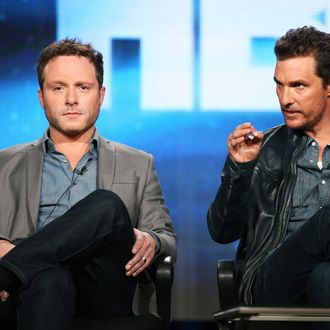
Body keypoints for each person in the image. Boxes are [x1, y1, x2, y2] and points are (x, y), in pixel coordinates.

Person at [0, 38, 176, 330]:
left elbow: (167, 238)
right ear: (41, 97)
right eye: (58, 88)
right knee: (51, 277)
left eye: (83, 87)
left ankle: (8, 271)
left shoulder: (138, 163)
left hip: (103, 291)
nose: (71, 99)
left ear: (101, 94)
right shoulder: (4, 164)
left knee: (107, 204)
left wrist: (153, 241)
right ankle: (17, 271)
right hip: (29, 294)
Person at [208, 26, 330, 309]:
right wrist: (239, 171)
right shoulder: (265, 149)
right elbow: (222, 232)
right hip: (271, 282)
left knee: (325, 277)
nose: (285, 99)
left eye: (298, 85)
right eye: (279, 84)